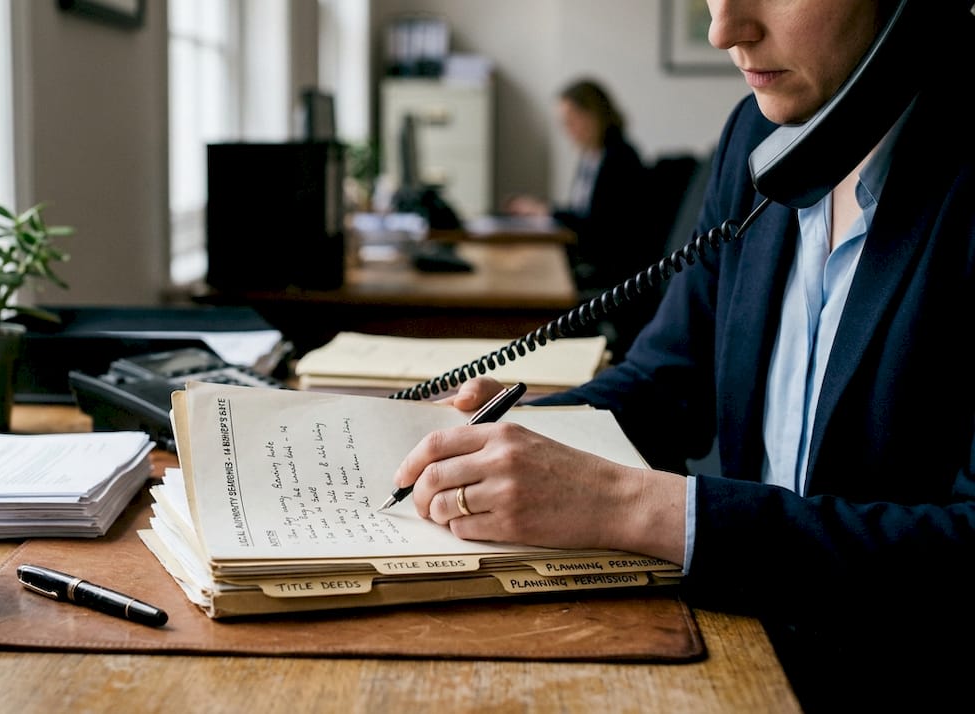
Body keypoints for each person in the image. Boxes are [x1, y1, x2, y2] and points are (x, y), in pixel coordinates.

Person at [393, 1, 975, 709]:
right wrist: (528, 434)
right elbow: (667, 379)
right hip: (745, 643)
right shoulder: (755, 135)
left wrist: (639, 508)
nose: (724, 31)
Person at [504, 78, 649, 293]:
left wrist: (547, 211)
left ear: (592, 116)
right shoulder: (591, 155)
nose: (567, 129)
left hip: (612, 275)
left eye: (571, 120)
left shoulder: (619, 158)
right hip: (589, 263)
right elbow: (580, 213)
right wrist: (545, 209)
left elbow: (598, 229)